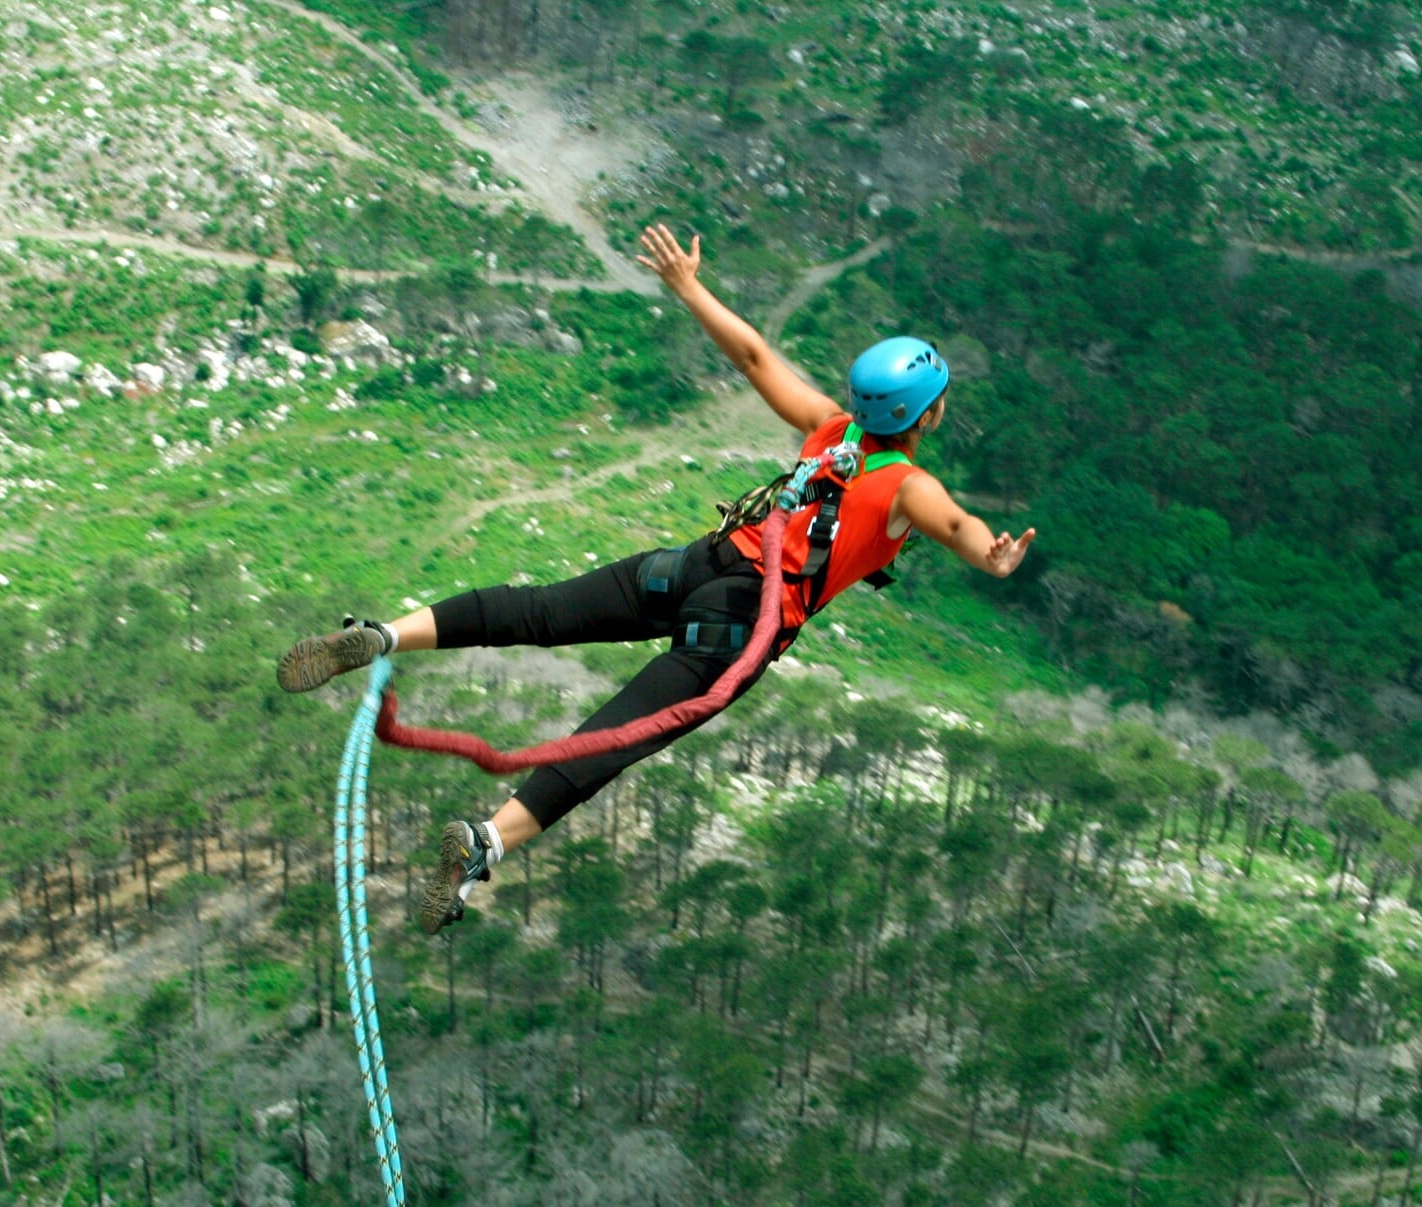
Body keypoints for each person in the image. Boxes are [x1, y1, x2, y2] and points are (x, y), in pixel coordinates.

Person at [277, 223, 1036, 932]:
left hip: (700, 563)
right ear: (925, 415)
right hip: (744, 624)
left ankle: (384, 634)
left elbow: (754, 358)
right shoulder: (905, 481)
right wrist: (991, 557)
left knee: (538, 611)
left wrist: (688, 286)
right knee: (608, 737)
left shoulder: (830, 427)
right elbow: (956, 524)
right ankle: (486, 841)